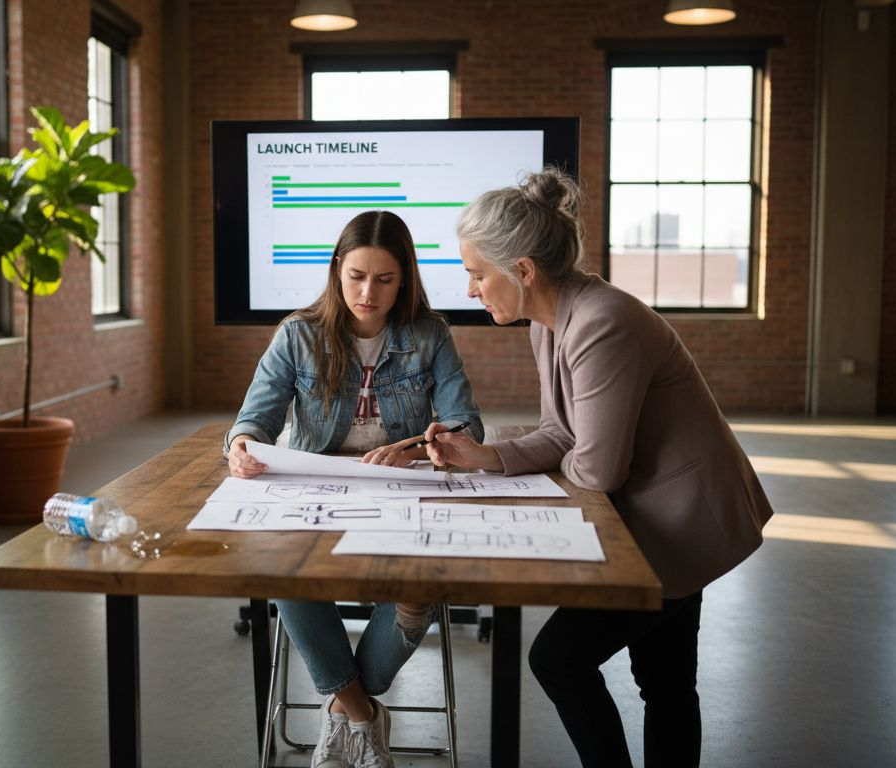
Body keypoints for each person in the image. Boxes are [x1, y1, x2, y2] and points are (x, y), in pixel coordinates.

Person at [422, 168, 773, 768]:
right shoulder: (549, 321)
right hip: (656, 514)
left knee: (561, 660)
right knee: (665, 682)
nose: (472, 289)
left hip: (683, 520)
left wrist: (558, 467)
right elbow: (566, 433)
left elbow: (599, 469)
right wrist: (487, 457)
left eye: (477, 273)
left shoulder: (601, 322)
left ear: (523, 271)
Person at [225, 210, 483, 768]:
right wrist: (242, 446)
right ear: (337, 269)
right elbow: (254, 420)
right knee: (283, 568)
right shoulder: (299, 335)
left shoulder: (429, 335)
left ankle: (347, 709)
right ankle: (362, 715)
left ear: (405, 278)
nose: (368, 293)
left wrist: (415, 448)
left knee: (419, 586)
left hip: (401, 489)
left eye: (385, 280)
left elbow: (467, 426)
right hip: (314, 491)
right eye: (357, 276)